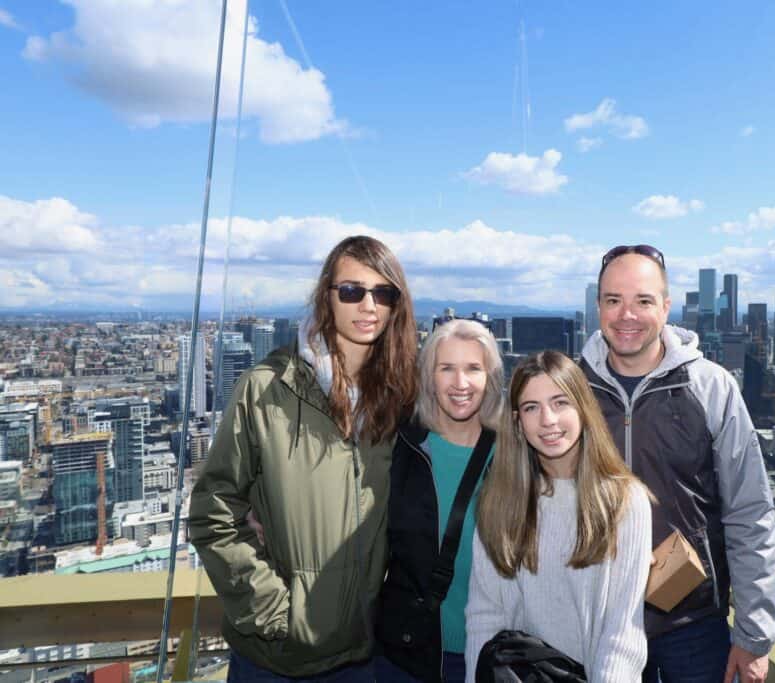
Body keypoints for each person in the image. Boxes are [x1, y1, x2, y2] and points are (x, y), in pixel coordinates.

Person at [188, 235, 418, 682]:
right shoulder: (267, 389)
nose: (368, 305)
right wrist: (273, 612)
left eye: (383, 293)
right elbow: (212, 511)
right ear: (326, 298)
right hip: (274, 660)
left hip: (362, 654)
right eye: (352, 291)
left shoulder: (399, 400)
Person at [579, 245, 775, 683]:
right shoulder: (570, 388)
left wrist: (754, 634)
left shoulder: (711, 387)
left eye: (643, 301)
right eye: (613, 300)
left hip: (692, 625)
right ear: (597, 307)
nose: (626, 315)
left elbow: (749, 513)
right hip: (593, 622)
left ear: (666, 307)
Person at [466, 351, 653, 682]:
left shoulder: (625, 501)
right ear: (517, 422)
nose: (548, 420)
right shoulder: (499, 502)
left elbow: (622, 635)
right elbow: (484, 618)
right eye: (531, 408)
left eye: (560, 402)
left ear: (583, 408)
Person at [375, 319, 505, 682]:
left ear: (490, 377)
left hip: (493, 655)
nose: (460, 383)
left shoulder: (515, 452)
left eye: (473, 369)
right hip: (408, 656)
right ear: (428, 376)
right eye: (446, 368)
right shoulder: (402, 445)